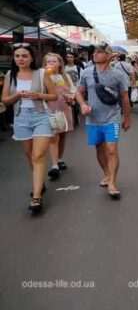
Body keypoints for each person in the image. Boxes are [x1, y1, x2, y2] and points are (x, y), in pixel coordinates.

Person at [1, 43, 58, 212]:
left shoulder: (41, 74)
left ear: (32, 58)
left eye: (24, 56)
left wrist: (38, 95)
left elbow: (54, 95)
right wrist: (18, 95)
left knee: (38, 155)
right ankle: (39, 183)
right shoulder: (11, 75)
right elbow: (5, 100)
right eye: (17, 56)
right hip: (20, 119)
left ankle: (36, 196)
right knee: (29, 155)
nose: (20, 59)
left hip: (41, 117)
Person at [75, 43, 131, 199]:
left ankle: (112, 182)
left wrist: (127, 118)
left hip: (112, 117)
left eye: (99, 52)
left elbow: (125, 97)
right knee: (99, 149)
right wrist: (83, 104)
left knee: (112, 149)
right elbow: (78, 93)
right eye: (94, 52)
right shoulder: (86, 73)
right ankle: (107, 174)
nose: (95, 54)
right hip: (93, 119)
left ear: (108, 55)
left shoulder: (117, 75)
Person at [44, 53, 76, 180]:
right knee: (54, 136)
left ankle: (59, 159)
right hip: (50, 108)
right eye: (48, 62)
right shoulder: (43, 76)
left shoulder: (65, 76)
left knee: (62, 135)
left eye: (53, 61)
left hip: (64, 108)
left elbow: (73, 91)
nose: (51, 64)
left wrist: (71, 98)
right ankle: (54, 165)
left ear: (60, 63)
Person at [65, 53, 81, 126]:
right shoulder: (63, 68)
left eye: (71, 57)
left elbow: (81, 80)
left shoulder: (78, 68)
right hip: (66, 91)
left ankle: (75, 120)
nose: (69, 58)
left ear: (74, 58)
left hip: (76, 90)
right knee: (67, 107)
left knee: (76, 107)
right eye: (68, 57)